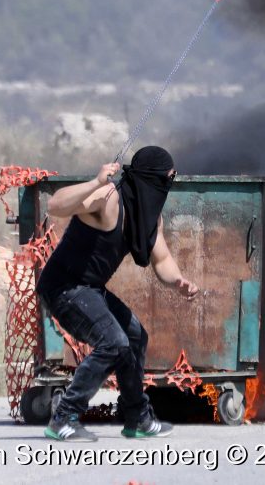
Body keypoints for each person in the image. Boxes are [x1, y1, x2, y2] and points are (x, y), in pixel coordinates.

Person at [35, 146, 199, 442]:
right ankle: (64, 418)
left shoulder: (148, 218)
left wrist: (179, 282)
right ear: (152, 178)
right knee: (113, 342)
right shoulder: (108, 198)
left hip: (89, 289)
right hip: (63, 287)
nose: (167, 185)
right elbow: (56, 205)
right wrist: (97, 181)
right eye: (166, 178)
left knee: (135, 337)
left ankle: (138, 419)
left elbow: (161, 261)